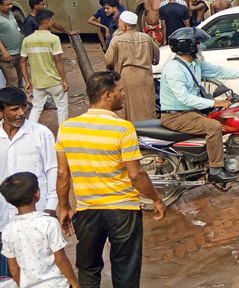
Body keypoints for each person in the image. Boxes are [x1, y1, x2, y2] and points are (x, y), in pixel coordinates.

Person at [56, 71, 166, 288]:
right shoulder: (123, 128)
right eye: (120, 91)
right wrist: (156, 198)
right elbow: (136, 174)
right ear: (107, 96)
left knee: (88, 269)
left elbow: (62, 174)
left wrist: (64, 207)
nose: (122, 94)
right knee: (125, 269)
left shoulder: (66, 128)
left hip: (87, 211)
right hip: (123, 211)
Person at [159, 28, 239, 184]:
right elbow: (184, 97)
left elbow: (218, 71)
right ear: (188, 46)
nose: (200, 47)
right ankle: (216, 169)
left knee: (222, 118)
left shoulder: (194, 64)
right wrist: (214, 103)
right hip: (175, 115)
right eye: (197, 43)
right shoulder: (174, 69)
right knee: (213, 127)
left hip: (190, 112)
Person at [0, 87, 59, 287]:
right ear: (1, 112)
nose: (21, 113)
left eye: (24, 107)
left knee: (42, 270)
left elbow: (53, 170)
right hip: (3, 219)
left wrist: (51, 206)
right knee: (9, 274)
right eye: (14, 109)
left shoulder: (40, 134)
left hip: (37, 215)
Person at [0, 172, 78, 288]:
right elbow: (61, 260)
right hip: (58, 284)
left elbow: (14, 268)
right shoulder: (49, 223)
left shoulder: (7, 231)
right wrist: (76, 284)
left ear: (7, 200)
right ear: (38, 193)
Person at [104, 12, 159, 123]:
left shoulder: (116, 40)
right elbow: (156, 58)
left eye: (119, 22)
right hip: (145, 77)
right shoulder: (146, 38)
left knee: (127, 108)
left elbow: (108, 61)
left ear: (124, 25)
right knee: (146, 106)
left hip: (126, 77)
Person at [19, 11, 69, 125]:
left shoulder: (27, 40)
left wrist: (27, 81)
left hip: (38, 81)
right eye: (51, 20)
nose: (52, 22)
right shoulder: (54, 39)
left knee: (36, 107)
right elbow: (58, 60)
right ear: (46, 22)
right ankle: (63, 134)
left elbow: (22, 62)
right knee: (62, 107)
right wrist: (64, 80)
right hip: (54, 80)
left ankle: (31, 133)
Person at [0, 0, 23, 90]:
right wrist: (4, 51)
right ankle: (11, 103)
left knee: (19, 81)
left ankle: (20, 102)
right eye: (7, 5)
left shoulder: (11, 14)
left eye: (11, 4)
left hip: (18, 52)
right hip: (6, 55)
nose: (10, 6)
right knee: (12, 80)